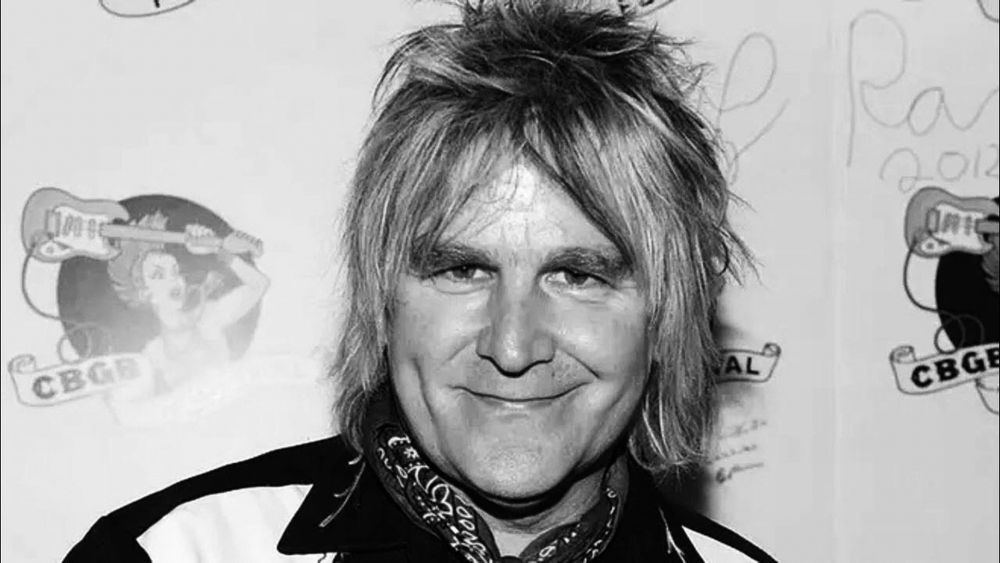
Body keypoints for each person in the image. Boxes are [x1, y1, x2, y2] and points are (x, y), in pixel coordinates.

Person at [66, 2, 775, 561]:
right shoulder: (173, 553)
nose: (514, 343)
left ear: (667, 315)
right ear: (384, 299)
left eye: (577, 274)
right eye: (463, 269)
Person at [105, 212, 270, 390]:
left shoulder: (209, 318)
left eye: (175, 271)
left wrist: (218, 250)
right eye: (159, 275)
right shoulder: (153, 353)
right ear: (146, 294)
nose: (174, 280)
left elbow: (259, 284)